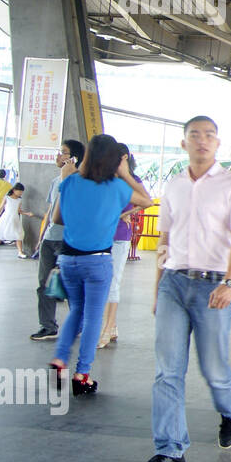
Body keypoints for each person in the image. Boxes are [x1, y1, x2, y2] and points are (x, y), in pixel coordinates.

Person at [137, 116, 231, 462]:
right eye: (194, 135)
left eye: (209, 136)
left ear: (218, 143)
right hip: (173, 283)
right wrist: (158, 285)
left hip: (213, 286)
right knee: (167, 371)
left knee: (214, 368)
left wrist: (229, 283)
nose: (202, 141)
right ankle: (170, 450)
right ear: (183, 143)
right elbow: (165, 241)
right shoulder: (173, 186)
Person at [49, 134, 153, 396]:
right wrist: (126, 174)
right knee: (94, 316)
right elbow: (147, 200)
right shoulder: (116, 187)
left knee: (76, 311)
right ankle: (82, 373)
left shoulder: (70, 181)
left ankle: (60, 359)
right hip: (97, 261)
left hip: (68, 259)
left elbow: (57, 218)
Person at [29, 140, 84, 341]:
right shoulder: (55, 181)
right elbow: (50, 212)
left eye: (63, 152)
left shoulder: (81, 181)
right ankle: (48, 326)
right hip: (50, 239)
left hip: (68, 240)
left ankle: (78, 325)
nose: (58, 156)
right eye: (59, 151)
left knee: (71, 285)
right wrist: (41, 237)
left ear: (74, 158)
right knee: (44, 284)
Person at [100, 144, 144, 349]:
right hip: (100, 235)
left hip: (119, 236)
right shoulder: (105, 179)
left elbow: (146, 201)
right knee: (102, 281)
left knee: (113, 282)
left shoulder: (133, 181)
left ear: (124, 158)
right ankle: (112, 325)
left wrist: (124, 215)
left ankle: (107, 329)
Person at [0, 182, 31, 258]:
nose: (20, 193)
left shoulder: (19, 200)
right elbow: (0, 208)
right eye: (19, 191)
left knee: (18, 234)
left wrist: (27, 213)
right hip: (6, 218)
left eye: (21, 192)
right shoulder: (7, 197)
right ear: (14, 190)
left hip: (15, 219)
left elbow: (18, 210)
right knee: (1, 235)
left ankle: (20, 252)